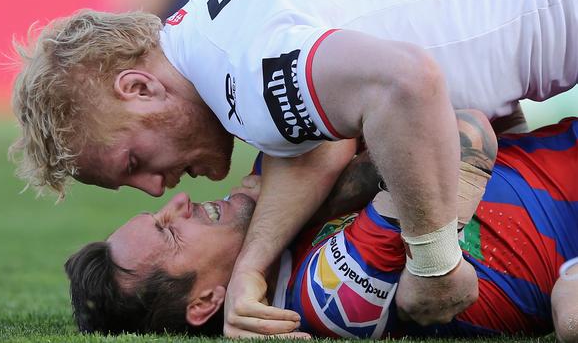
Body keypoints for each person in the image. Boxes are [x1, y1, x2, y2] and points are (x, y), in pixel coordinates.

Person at [11, 0, 578, 335]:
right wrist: (253, 266)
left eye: (133, 163)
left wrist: (434, 265)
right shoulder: (211, 30)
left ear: (139, 89)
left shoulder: (244, 85)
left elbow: (410, 84)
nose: (161, 190)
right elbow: (333, 139)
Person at [64, 113, 578, 341]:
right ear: (205, 303)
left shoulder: (279, 206)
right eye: (169, 232)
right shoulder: (324, 295)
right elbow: (455, 133)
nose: (179, 203)